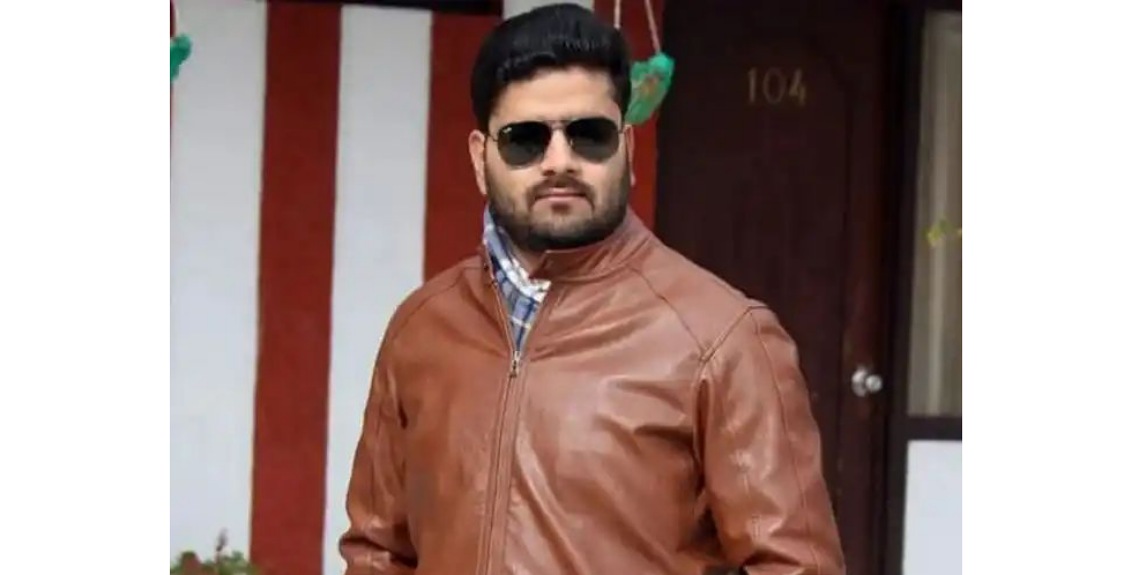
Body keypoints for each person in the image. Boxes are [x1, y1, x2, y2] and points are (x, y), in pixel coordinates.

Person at [338, 4, 845, 574]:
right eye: (526, 140)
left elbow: (795, 565)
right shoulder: (421, 329)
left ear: (626, 148)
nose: (560, 162)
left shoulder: (722, 337)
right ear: (481, 158)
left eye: (589, 135)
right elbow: (377, 552)